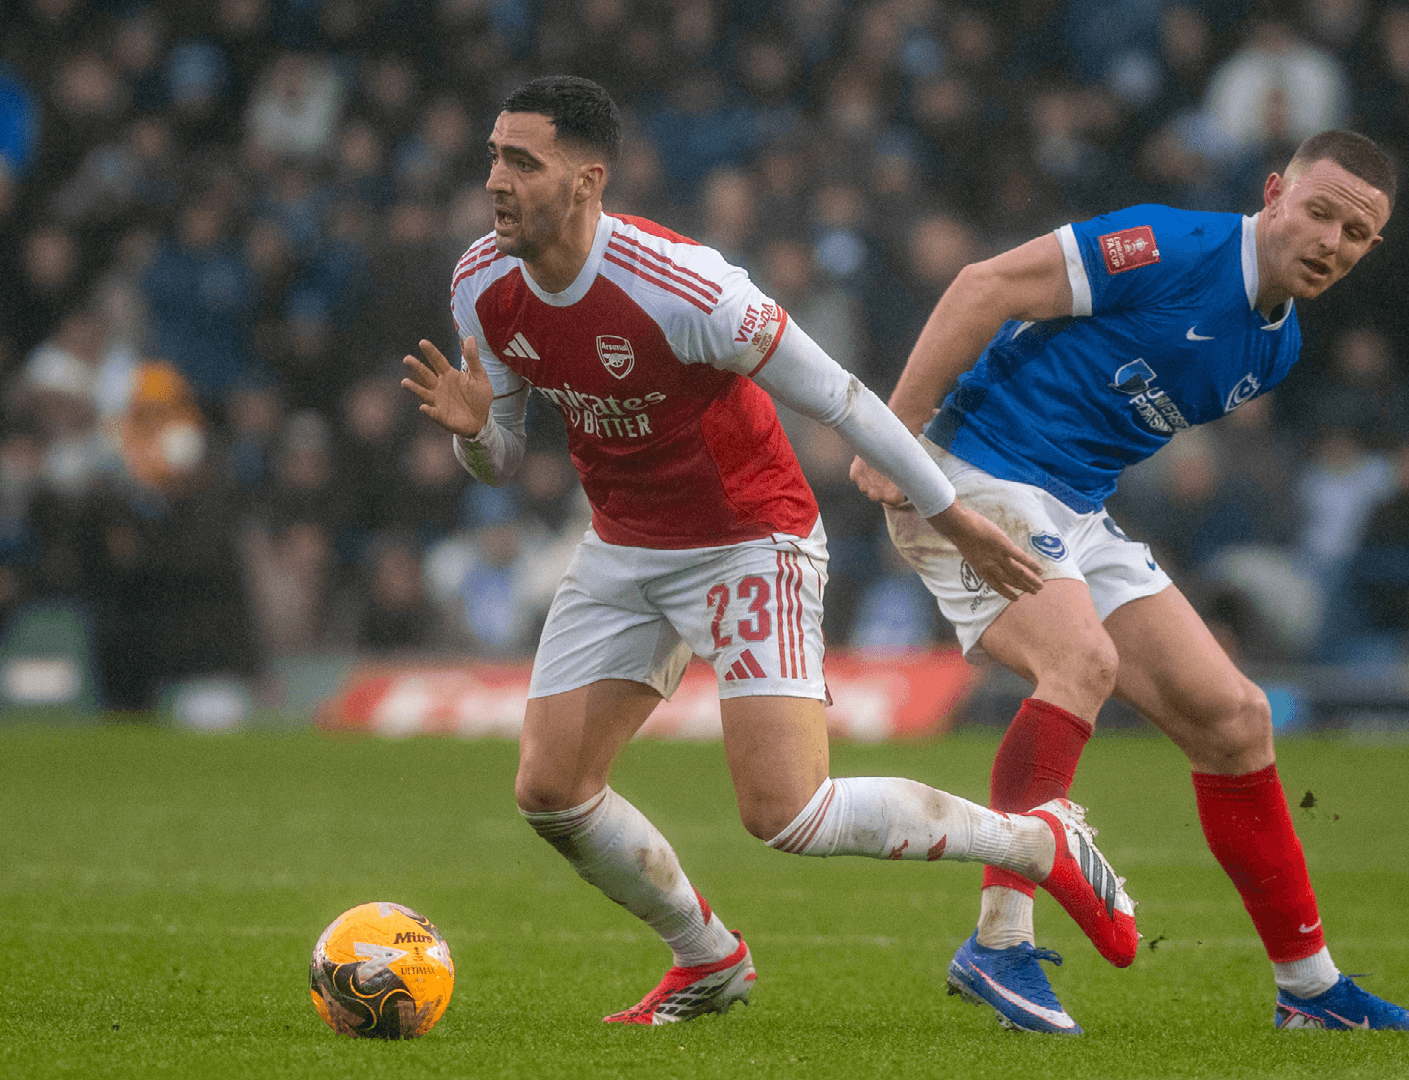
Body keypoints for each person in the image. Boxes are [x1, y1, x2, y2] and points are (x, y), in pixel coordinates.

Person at [400, 76, 1138, 1027]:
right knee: (550, 791)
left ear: (587, 181)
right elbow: (500, 458)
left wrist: (951, 516)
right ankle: (707, 958)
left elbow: (842, 399)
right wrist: (472, 434)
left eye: (522, 162)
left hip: (749, 539)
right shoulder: (480, 282)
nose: (496, 180)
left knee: (786, 813)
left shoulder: (684, 286)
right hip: (623, 544)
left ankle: (1036, 845)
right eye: (493, 157)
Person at [851, 131, 1409, 1034]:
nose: (1331, 242)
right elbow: (984, 286)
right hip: (972, 472)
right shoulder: (1171, 245)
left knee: (1236, 720)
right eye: (1320, 212)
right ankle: (999, 942)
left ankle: (1310, 989)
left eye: (1356, 233)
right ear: (1275, 193)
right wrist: (896, 433)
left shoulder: (1277, 350)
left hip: (1073, 509)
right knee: (1081, 661)